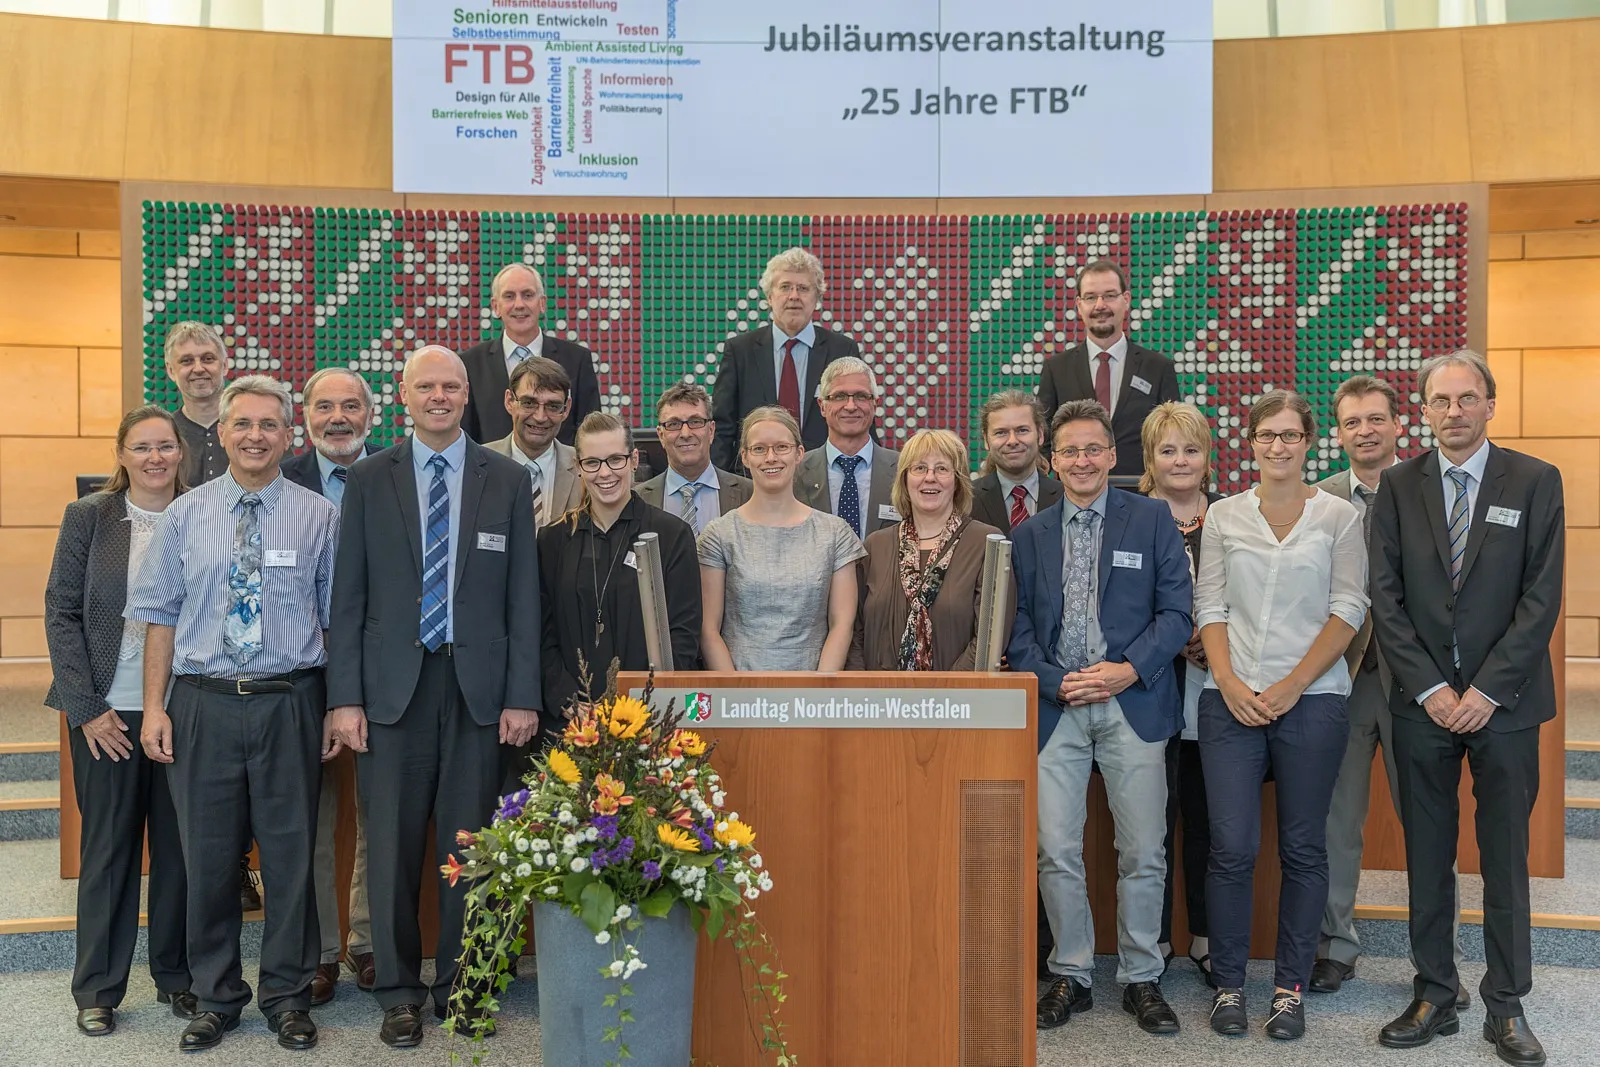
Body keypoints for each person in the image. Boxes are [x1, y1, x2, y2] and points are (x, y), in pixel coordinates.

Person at [324, 345, 541, 1049]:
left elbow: (521, 599)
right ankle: (397, 992)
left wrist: (522, 694)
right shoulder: (367, 478)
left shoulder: (506, 479)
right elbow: (348, 597)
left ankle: (462, 984)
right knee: (388, 848)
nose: (441, 395)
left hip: (477, 692)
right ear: (404, 395)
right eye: (427, 386)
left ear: (465, 396)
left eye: (451, 385)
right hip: (390, 694)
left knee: (469, 848)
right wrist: (344, 697)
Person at [127, 376, 340, 1053]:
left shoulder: (319, 515)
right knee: (208, 859)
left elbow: (336, 621)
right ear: (219, 433)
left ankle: (286, 993)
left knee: (289, 859)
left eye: (268, 425)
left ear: (288, 435)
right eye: (241, 423)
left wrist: (335, 708)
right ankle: (217, 995)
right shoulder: (185, 515)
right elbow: (158, 616)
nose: (254, 435)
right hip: (203, 704)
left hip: (290, 701)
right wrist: (154, 707)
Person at [1372, 350, 1562, 1067]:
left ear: (1490, 404)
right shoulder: (1397, 484)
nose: (1453, 411)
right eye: (1439, 400)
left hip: (1505, 706)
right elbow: (1384, 599)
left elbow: (1540, 597)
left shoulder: (1536, 480)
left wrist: (1483, 691)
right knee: (1428, 854)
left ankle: (1507, 1004)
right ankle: (1433, 993)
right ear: (1421, 410)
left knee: (1504, 858)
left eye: (1466, 398)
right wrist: (1432, 689)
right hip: (1422, 705)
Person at [1008, 399, 1193, 1036]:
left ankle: (1143, 975)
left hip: (1132, 703)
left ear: (1113, 457)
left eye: (1094, 449)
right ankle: (1072, 973)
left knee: (1143, 848)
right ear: (1051, 461)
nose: (1082, 460)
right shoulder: (1030, 534)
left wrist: (1125, 670)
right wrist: (1059, 682)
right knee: (1055, 848)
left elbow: (1177, 615)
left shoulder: (1152, 519)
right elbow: (1019, 626)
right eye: (1069, 452)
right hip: (1058, 708)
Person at [1193, 389, 1367, 1041]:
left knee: (1302, 846)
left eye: (1290, 435)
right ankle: (1231, 985)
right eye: (1267, 435)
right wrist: (1230, 680)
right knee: (1233, 847)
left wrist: (1295, 684)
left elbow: (1348, 608)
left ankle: (1290, 987)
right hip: (1230, 699)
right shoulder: (1225, 516)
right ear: (1251, 441)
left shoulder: (1338, 517)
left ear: (1308, 442)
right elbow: (1209, 604)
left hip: (1313, 700)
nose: (1278, 446)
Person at [45, 407, 194, 1037]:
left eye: (165, 446)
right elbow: (61, 612)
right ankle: (99, 988)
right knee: (108, 852)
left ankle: (177, 978)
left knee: (183, 852)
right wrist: (88, 711)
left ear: (181, 451)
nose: (155, 457)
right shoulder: (90, 517)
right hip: (106, 712)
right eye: (142, 447)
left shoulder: (202, 512)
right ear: (122, 454)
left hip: (184, 711)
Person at [279, 367, 380, 1002]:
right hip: (302, 672)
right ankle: (318, 949)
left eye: (350, 405)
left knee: (379, 809)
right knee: (310, 815)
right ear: (306, 417)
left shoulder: (397, 473)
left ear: (371, 414)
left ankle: (367, 941)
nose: (337, 417)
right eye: (323, 407)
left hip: (384, 669)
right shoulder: (280, 480)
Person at [539, 412, 702, 724]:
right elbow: (543, 635)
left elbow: (683, 635)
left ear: (634, 459)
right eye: (593, 462)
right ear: (578, 467)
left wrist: (646, 704)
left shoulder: (672, 535)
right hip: (573, 720)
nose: (605, 473)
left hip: (647, 719)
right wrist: (568, 701)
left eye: (615, 459)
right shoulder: (553, 540)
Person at [1138, 401, 1222, 990]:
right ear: (1150, 458)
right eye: (1168, 450)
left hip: (1220, 691)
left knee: (1211, 820)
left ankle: (1209, 937)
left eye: (1190, 449)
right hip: (1152, 692)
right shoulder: (1132, 518)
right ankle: (1157, 939)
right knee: (1154, 823)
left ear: (1208, 457)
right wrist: (1173, 642)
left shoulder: (1234, 518)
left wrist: (1215, 644)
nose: (1180, 460)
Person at [699, 406, 865, 672]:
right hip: (738, 698)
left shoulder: (835, 533)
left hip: (812, 698)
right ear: (744, 457)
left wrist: (815, 695)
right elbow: (708, 629)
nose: (771, 457)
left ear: (799, 454)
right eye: (759, 449)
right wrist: (734, 693)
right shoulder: (719, 535)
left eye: (781, 447)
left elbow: (842, 624)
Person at [851, 429, 1008, 671]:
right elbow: (855, 632)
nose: (930, 477)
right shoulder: (875, 545)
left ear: (958, 481)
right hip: (879, 700)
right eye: (920, 468)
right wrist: (864, 691)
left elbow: (989, 638)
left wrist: (942, 693)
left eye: (942, 469)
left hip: (958, 701)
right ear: (904, 479)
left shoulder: (987, 542)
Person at [710, 247, 860, 471]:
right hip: (755, 481)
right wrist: (726, 485)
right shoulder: (740, 350)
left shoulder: (842, 349)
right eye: (785, 287)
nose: (794, 296)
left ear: (817, 297)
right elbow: (722, 427)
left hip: (825, 478)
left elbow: (860, 420)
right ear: (770, 297)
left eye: (803, 288)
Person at [1036, 261, 1180, 478]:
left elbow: (1173, 437)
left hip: (1142, 494)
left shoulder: (1159, 368)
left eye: (1110, 295)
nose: (1100, 305)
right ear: (1079, 305)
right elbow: (1043, 440)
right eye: (1091, 297)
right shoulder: (1056, 369)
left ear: (1126, 300)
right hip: (1074, 494)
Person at [460, 263, 601, 446]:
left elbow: (591, 432)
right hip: (491, 472)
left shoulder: (577, 360)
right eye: (509, 296)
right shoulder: (470, 364)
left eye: (527, 295)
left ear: (542, 303)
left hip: (561, 472)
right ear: (496, 306)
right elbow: (465, 435)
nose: (519, 305)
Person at [794, 358, 901, 541]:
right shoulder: (795, 471)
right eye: (839, 396)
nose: (851, 406)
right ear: (822, 406)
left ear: (875, 404)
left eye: (861, 396)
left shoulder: (904, 470)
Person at [634, 382, 752, 534]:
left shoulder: (749, 493)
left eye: (695, 422)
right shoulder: (637, 499)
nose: (685, 434)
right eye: (674, 424)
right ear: (661, 435)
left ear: (711, 431)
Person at [480, 355, 583, 526]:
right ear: (509, 401)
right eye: (529, 403)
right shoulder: (477, 463)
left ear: (566, 409)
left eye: (553, 406)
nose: (540, 417)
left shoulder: (585, 468)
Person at [970, 390, 1062, 532]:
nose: (1012, 441)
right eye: (1001, 432)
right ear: (986, 440)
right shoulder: (966, 500)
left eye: (1022, 430)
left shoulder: (1066, 497)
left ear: (1041, 435)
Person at [164, 321, 231, 487]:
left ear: (225, 366)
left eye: (208, 359)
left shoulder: (253, 431)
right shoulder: (162, 434)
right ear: (171, 370)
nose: (199, 368)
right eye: (186, 361)